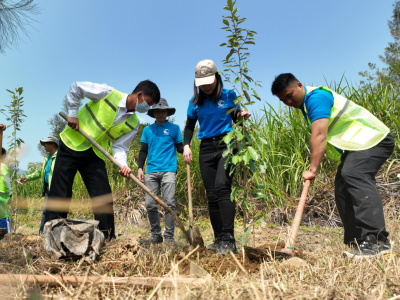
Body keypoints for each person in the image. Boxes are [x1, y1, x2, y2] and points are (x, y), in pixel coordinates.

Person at [271, 73, 395, 259]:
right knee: (342, 187)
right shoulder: (307, 104)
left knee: (353, 174)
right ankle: (359, 243)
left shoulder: (316, 98)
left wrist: (313, 169)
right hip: (358, 145)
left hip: (374, 139)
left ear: (299, 85)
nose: (288, 101)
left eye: (289, 95)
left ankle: (377, 241)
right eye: (283, 100)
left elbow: (319, 135)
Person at [44, 80, 161, 240]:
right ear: (140, 95)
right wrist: (72, 113)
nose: (147, 108)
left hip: (94, 154)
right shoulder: (108, 93)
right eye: (148, 103)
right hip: (72, 143)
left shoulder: (134, 123)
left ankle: (107, 239)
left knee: (103, 196)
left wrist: (123, 165)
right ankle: (53, 236)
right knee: (61, 193)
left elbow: (120, 148)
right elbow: (76, 87)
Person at [183, 59, 251, 255]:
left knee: (222, 187)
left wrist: (242, 116)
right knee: (211, 194)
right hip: (205, 148)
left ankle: (229, 239)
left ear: (217, 78)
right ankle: (219, 238)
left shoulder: (230, 95)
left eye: (209, 82)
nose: (205, 87)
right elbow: (189, 127)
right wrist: (187, 145)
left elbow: (237, 120)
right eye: (201, 84)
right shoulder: (194, 102)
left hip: (227, 145)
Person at [137, 98, 183, 246]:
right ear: (154, 113)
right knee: (150, 204)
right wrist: (140, 168)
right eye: (157, 111)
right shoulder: (147, 130)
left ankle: (169, 237)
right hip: (151, 171)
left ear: (167, 112)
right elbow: (143, 150)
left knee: (169, 203)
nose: (160, 114)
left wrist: (186, 150)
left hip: (169, 170)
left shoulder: (175, 129)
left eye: (163, 111)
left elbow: (180, 147)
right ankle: (156, 235)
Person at [18, 136, 58, 234]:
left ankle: (52, 233)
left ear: (53, 144)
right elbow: (41, 172)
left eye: (46, 143)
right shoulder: (47, 157)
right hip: (48, 188)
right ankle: (42, 233)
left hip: (56, 188)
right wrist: (27, 178)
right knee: (46, 211)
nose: (44, 146)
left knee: (54, 211)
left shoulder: (60, 157)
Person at [0, 147, 11, 234]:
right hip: (2, 195)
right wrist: (10, 195)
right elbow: (7, 182)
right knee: (4, 217)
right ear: (3, 155)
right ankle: (7, 237)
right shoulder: (3, 166)